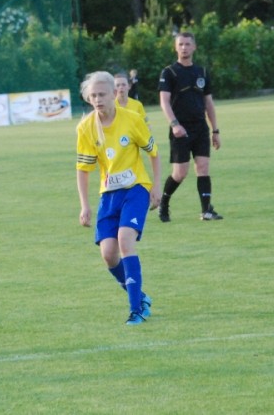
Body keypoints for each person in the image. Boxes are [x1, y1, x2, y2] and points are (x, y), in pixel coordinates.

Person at [76, 71, 162, 326]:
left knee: (125, 240)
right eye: (93, 95)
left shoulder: (132, 120)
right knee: (108, 254)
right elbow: (83, 169)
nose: (97, 99)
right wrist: (84, 205)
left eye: (102, 94)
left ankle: (136, 310)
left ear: (114, 94)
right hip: (109, 195)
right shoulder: (86, 127)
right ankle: (140, 296)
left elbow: (153, 153)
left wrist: (156, 187)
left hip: (136, 188)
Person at [157, 31, 223, 222]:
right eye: (181, 44)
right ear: (175, 47)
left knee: (203, 168)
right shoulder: (169, 72)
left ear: (194, 47)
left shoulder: (202, 72)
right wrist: (174, 124)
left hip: (200, 128)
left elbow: (209, 103)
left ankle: (206, 211)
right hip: (180, 129)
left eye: (187, 44)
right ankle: (163, 203)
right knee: (180, 173)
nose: (184, 48)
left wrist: (215, 130)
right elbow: (164, 102)